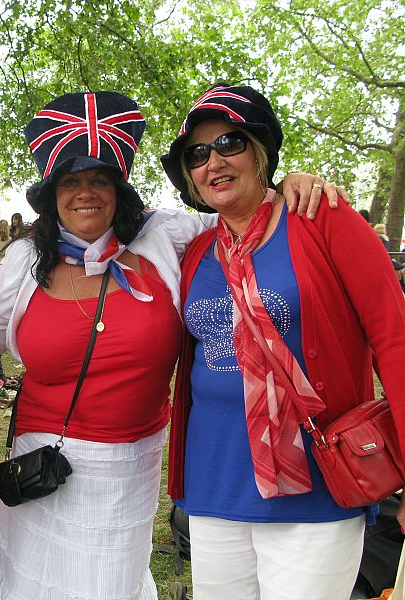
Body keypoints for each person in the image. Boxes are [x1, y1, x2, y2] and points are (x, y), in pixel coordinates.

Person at [0, 91, 335, 600]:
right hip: (43, 458)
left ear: (120, 191)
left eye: (100, 180)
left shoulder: (164, 236)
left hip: (130, 462)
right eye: (71, 182)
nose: (86, 194)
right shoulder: (23, 261)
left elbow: (241, 212)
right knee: (31, 582)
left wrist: (286, 184)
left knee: (110, 584)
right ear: (52, 194)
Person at [160, 83, 405, 600]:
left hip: (317, 490)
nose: (213, 161)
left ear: (260, 152)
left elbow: (394, 338)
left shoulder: (323, 219)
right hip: (215, 485)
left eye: (229, 143)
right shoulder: (196, 249)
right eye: (197, 154)